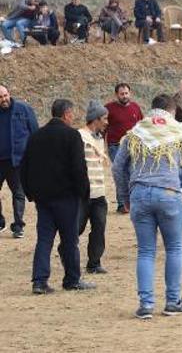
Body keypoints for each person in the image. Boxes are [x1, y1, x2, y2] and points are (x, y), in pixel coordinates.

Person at [113, 94, 182, 319]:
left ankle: (146, 305)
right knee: (174, 249)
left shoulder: (136, 132)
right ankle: (173, 301)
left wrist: (124, 196)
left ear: (151, 109)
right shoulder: (176, 130)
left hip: (139, 194)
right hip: (168, 193)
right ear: (172, 111)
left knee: (145, 251)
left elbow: (118, 168)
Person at [22, 99, 96, 294]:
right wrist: (84, 194)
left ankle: (39, 281)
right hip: (66, 198)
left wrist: (30, 193)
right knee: (70, 239)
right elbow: (79, 168)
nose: (73, 118)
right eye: (72, 114)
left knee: (44, 239)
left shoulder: (35, 136)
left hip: (43, 199)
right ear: (66, 114)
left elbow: (24, 167)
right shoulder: (72, 136)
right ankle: (72, 279)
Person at [0, 84, 38, 238]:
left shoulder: (23, 109)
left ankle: (18, 226)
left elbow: (34, 131)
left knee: (18, 193)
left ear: (9, 93)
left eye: (5, 95)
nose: (4, 99)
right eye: (0, 97)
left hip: (17, 160)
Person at [77, 101, 110, 274]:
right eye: (104, 118)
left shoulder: (99, 139)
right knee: (77, 228)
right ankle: (66, 251)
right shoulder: (79, 136)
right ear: (95, 119)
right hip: (83, 193)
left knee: (99, 227)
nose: (107, 122)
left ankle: (94, 263)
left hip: (99, 193)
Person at [105, 83, 143, 214]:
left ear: (130, 93)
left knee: (132, 172)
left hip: (133, 146)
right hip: (115, 146)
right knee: (120, 172)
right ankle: (122, 204)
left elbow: (141, 126)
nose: (125, 96)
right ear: (116, 95)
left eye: (126, 93)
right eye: (122, 94)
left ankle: (132, 202)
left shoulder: (135, 107)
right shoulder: (108, 108)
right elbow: (103, 126)